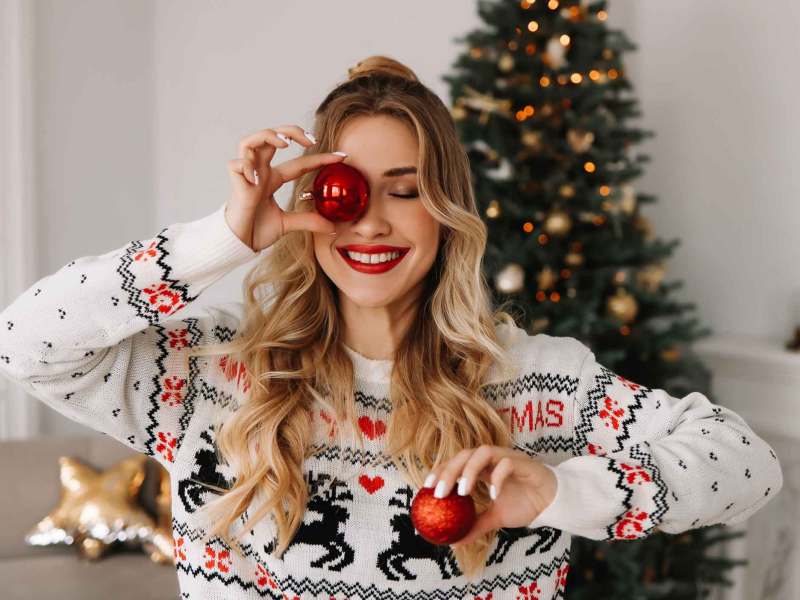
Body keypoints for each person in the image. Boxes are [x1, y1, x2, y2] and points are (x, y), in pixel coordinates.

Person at [0, 55, 783, 600]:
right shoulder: (208, 369)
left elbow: (749, 466)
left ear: (446, 213)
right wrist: (224, 240)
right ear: (309, 203)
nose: (370, 222)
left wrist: (558, 489)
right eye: (345, 190)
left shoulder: (543, 383)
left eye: (404, 191)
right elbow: (26, 338)